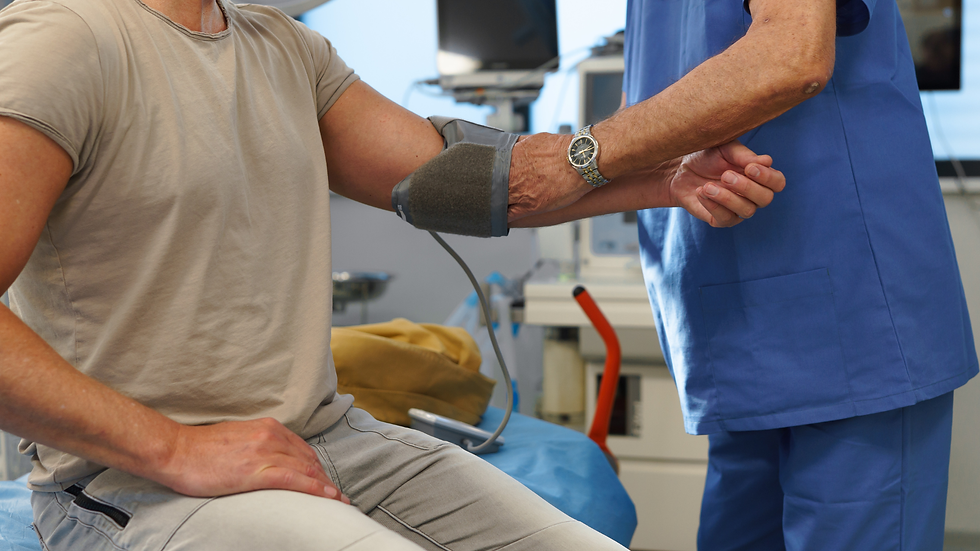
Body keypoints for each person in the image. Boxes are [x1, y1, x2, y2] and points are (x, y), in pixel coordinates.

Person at [0, 0, 786, 549]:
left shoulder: (283, 47)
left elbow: (456, 178)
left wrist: (665, 177)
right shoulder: (64, 38)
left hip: (328, 438)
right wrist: (175, 447)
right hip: (136, 483)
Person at [538, 0, 974, 549]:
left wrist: (570, 160)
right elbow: (643, 129)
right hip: (733, 325)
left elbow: (793, 56)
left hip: (853, 320)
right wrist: (515, 186)